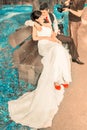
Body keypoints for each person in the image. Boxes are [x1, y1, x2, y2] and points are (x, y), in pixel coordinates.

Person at [8, 10, 72, 130]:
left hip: (51, 43)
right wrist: (48, 37)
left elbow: (53, 34)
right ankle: (58, 80)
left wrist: (54, 39)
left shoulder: (47, 23)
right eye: (42, 16)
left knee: (60, 50)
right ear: (37, 18)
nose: (44, 16)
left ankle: (59, 78)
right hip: (43, 45)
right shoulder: (36, 25)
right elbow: (35, 37)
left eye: (43, 15)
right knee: (58, 51)